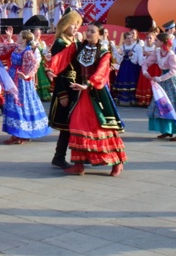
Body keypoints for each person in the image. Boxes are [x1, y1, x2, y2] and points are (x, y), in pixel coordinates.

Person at [46, 23, 126, 176]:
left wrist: (89, 84)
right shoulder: (78, 46)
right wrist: (51, 69)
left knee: (101, 127)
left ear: (100, 35)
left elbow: (102, 72)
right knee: (76, 125)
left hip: (96, 93)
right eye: (87, 30)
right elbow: (62, 57)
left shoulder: (104, 52)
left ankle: (116, 161)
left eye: (92, 31)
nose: (88, 33)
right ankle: (79, 163)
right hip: (79, 93)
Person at [47, 9, 84, 169]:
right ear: (65, 25)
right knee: (66, 126)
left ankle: (80, 156)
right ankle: (59, 156)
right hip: (65, 87)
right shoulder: (60, 43)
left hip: (76, 86)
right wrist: (61, 93)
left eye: (77, 25)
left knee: (74, 124)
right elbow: (58, 70)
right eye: (72, 25)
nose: (75, 28)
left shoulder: (72, 42)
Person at [3, 30, 52, 144]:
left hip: (22, 81)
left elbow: (34, 65)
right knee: (12, 104)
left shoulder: (27, 51)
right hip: (13, 76)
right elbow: (3, 48)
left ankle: (24, 134)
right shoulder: (16, 48)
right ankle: (15, 133)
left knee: (21, 104)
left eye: (19, 36)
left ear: (24, 39)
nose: (17, 37)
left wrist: (26, 75)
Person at [113, 32, 143, 106]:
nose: (130, 40)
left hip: (133, 68)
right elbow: (119, 61)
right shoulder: (122, 47)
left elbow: (139, 60)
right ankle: (123, 99)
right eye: (127, 38)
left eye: (131, 38)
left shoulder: (137, 47)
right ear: (125, 39)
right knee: (124, 81)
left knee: (132, 81)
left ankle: (133, 100)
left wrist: (133, 54)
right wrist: (120, 54)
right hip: (124, 67)